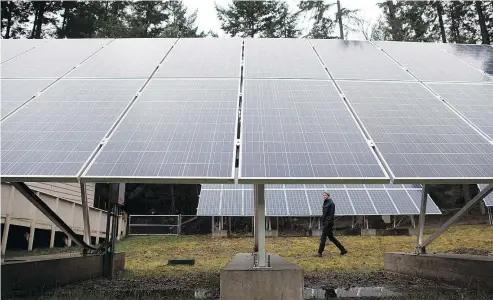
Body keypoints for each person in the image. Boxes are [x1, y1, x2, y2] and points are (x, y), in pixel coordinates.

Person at [317, 191, 347, 257]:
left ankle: (320, 252)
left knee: (323, 237)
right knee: (331, 238)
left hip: (328, 223)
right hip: (326, 223)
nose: (324, 196)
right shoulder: (325, 203)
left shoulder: (331, 204)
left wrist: (327, 223)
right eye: (323, 195)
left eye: (325, 195)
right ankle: (343, 250)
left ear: (328, 196)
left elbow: (331, 215)